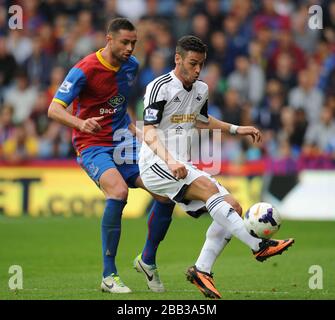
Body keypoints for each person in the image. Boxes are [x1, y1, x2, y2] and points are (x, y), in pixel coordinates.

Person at [135, 35, 294, 299]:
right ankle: (258, 245)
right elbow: (149, 130)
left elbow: (201, 120)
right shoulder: (158, 86)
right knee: (210, 189)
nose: (197, 70)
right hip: (155, 163)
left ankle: (202, 271)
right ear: (178, 59)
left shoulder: (201, 89)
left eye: (201, 64)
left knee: (232, 205)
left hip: (181, 164)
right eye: (193, 63)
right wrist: (171, 160)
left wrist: (236, 128)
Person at [48, 18, 175, 294]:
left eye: (134, 43)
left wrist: (134, 129)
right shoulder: (84, 69)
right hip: (91, 143)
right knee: (118, 191)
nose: (130, 48)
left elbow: (120, 104)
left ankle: (147, 260)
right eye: (125, 42)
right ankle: (109, 275)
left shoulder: (131, 67)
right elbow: (54, 110)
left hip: (122, 141)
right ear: (109, 39)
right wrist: (81, 123)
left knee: (166, 194)